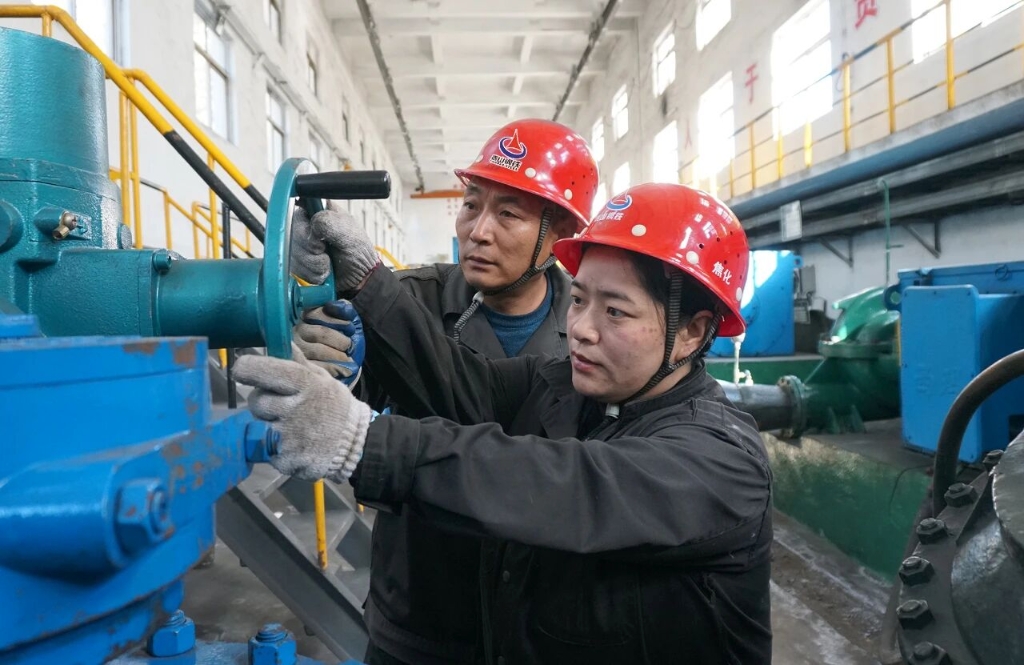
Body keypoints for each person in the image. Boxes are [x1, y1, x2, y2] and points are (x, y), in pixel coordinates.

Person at [236, 183, 773, 664]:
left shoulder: (719, 460)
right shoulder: (564, 386)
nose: (582, 329)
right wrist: (364, 280)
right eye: (579, 299)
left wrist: (361, 439)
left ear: (691, 332)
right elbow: (457, 381)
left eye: (615, 311)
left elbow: (564, 484)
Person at [288, 118, 600, 665]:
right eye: (471, 205)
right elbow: (351, 402)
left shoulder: (591, 330)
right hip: (418, 613)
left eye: (508, 214)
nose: (478, 231)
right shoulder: (405, 299)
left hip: (537, 627)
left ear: (562, 236)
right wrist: (325, 357)